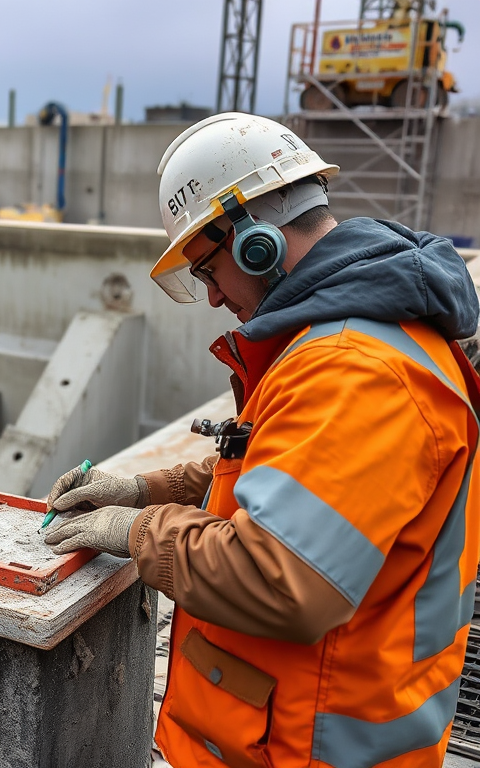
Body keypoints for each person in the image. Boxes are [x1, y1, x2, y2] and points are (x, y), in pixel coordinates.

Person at [44, 112, 480, 768]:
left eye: (207, 268)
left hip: (315, 746)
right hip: (292, 729)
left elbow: (282, 579)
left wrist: (137, 533)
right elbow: (275, 474)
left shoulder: (355, 370)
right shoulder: (346, 336)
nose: (214, 297)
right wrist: (141, 489)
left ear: (255, 241)